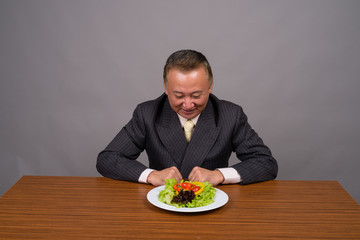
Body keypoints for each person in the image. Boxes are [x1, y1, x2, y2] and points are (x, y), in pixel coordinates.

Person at [97, 49, 278, 187]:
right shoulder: (147, 113)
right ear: (166, 88)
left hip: (213, 208)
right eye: (179, 95)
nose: (188, 104)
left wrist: (219, 175)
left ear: (210, 87)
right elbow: (107, 159)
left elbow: (266, 163)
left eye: (196, 95)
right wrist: (151, 175)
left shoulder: (230, 115)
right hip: (162, 206)